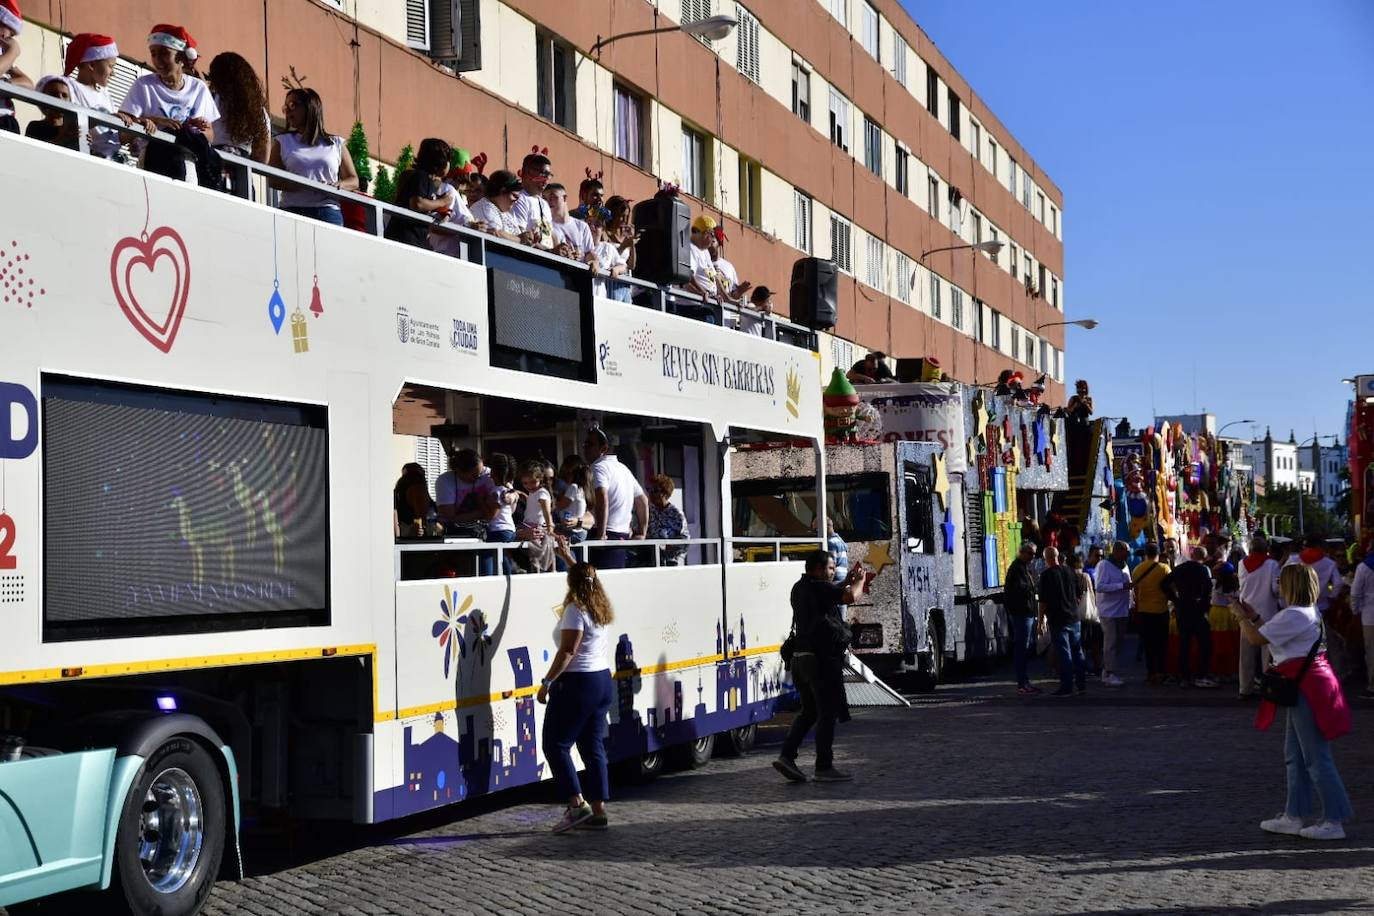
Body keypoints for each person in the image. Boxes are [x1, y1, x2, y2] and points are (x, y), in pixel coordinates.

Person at [1234, 564, 1353, 841]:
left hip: (1305, 687)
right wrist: (1254, 616)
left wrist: (1241, 617)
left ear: (1291, 585)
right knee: (1297, 756)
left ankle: (1333, 819)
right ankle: (1295, 814)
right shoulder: (1308, 612)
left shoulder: (1294, 614)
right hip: (1308, 684)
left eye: (1281, 581)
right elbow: (1270, 632)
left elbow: (1256, 638)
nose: (1278, 585)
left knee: (1314, 757)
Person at [537, 550, 615, 833]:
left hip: (578, 683)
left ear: (571, 582)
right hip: (602, 680)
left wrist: (547, 682)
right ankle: (598, 810)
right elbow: (587, 577)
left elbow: (568, 650)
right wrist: (569, 557)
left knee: (556, 745)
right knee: (592, 747)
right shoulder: (599, 606)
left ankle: (576, 805)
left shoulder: (575, 610)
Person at [774, 550, 865, 783]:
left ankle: (787, 756)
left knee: (810, 711)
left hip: (800, 659)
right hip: (820, 660)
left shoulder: (799, 587)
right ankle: (824, 767)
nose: (833, 572)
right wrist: (860, 582)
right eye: (830, 568)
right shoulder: (819, 587)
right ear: (817, 569)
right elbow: (850, 597)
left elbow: (831, 593)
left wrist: (844, 582)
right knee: (827, 712)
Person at [117, 25, 221, 181]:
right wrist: (154, 121)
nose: (158, 60)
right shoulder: (143, 85)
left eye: (164, 53)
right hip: (152, 160)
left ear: (181, 58)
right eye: (153, 54)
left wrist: (195, 129)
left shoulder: (198, 88)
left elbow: (210, 137)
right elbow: (123, 135)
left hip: (188, 163)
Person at [268, 87, 359, 225]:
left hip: (327, 211)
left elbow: (353, 180)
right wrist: (303, 184)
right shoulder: (282, 141)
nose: (288, 112)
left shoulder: (336, 143)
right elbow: (273, 180)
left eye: (292, 105)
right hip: (292, 209)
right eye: (285, 108)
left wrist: (339, 185)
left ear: (310, 107)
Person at [581, 427, 647, 570]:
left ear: (603, 448)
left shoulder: (598, 467)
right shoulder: (623, 468)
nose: (585, 448)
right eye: (584, 444)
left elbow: (602, 497)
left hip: (606, 536)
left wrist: (601, 534)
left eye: (589, 444)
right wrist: (642, 532)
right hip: (622, 536)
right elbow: (642, 500)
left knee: (598, 581)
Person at [59, 33, 121, 159]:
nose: (113, 73)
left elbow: (113, 135)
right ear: (92, 65)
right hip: (87, 158)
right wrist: (105, 118)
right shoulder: (71, 88)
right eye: (110, 66)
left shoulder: (105, 94)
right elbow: (71, 125)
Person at [385, 137, 455, 248]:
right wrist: (442, 201)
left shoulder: (427, 180)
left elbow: (425, 204)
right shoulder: (421, 176)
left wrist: (441, 209)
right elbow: (418, 203)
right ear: (440, 162)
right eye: (448, 161)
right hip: (405, 238)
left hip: (416, 239)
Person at [1163, 546, 1217, 688]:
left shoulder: (1180, 568)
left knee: (1184, 644)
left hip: (1182, 608)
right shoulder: (1203, 570)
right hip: (1197, 609)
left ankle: (1185, 676)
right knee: (1205, 644)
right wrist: (1204, 605)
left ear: (1192, 555)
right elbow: (1208, 588)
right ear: (1204, 558)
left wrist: (1175, 599)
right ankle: (1200, 675)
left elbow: (1163, 583)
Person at [1238, 533, 1282, 698]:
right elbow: (1276, 590)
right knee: (1267, 656)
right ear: (1266, 550)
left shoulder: (1241, 563)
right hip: (1267, 615)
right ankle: (1268, 688)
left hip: (1246, 613)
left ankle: (1245, 688)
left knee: (1246, 655)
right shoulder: (1272, 565)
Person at [1038, 546, 1086, 697]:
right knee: (1077, 651)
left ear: (1046, 559)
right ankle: (1081, 684)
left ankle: (1067, 686)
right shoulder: (1070, 571)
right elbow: (1079, 593)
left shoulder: (1046, 576)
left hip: (1057, 619)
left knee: (1064, 654)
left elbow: (1043, 601)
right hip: (1073, 617)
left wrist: (1040, 621)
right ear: (1057, 556)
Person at [205, 51, 269, 162]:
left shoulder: (210, 98)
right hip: (242, 167)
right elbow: (263, 156)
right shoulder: (258, 110)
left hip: (213, 161)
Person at [1132, 542, 1172, 684]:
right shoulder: (1164, 568)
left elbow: (1135, 590)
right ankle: (1161, 672)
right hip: (1161, 610)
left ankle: (1151, 673)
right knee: (1161, 644)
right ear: (1158, 553)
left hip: (1144, 611)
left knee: (1148, 644)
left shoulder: (1137, 569)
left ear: (1146, 554)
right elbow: (1170, 587)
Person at [1093, 541, 1132, 687]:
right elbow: (1099, 586)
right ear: (1117, 551)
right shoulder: (1104, 565)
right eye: (1126, 551)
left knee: (1118, 643)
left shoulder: (1125, 565)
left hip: (1122, 610)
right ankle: (1110, 673)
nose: (1128, 554)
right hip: (1108, 611)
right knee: (1110, 643)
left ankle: (1106, 670)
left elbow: (1128, 584)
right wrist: (1121, 586)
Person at [1004, 542, 1041, 695]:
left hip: (1025, 612)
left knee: (1024, 648)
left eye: (1034, 554)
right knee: (1022, 648)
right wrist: (1033, 587)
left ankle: (1025, 682)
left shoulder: (1023, 567)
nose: (1033, 557)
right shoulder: (1017, 568)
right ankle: (1022, 683)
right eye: (1030, 554)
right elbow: (1020, 589)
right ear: (1022, 552)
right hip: (1021, 613)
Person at [1287, 535, 1346, 616]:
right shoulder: (1329, 563)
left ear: (1305, 546)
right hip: (1321, 605)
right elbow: (1338, 583)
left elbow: (1283, 580)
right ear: (1319, 546)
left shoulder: (1293, 560)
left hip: (1297, 605)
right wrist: (1331, 596)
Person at [0, 0, 34, 134]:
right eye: (11, 33)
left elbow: (29, 84)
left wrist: (6, 84)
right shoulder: (9, 53)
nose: (10, 39)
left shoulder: (4, 55)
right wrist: (13, 52)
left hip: (6, 121)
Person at [484, 453, 521, 574]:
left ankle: (488, 578)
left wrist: (480, 502)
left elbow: (492, 515)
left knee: (487, 554)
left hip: (497, 530)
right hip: (510, 530)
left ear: (494, 473)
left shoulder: (496, 492)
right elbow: (512, 510)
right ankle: (508, 575)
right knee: (503, 555)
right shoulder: (510, 491)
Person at [585, 206, 631, 301]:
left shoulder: (607, 247)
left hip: (599, 296)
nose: (592, 227)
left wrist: (616, 269)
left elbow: (623, 266)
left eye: (597, 225)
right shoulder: (578, 243)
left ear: (603, 230)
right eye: (589, 223)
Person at [511, 149, 554, 249]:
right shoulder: (519, 199)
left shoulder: (544, 204)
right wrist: (550, 252)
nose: (546, 179)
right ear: (528, 172)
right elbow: (523, 237)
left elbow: (550, 236)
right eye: (543, 173)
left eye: (548, 175)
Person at [469, 169, 526, 241]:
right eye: (514, 196)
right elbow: (496, 234)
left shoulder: (506, 213)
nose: (516, 201)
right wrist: (520, 240)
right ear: (502, 190)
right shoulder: (486, 208)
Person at [645, 474, 689, 567]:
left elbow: (684, 540)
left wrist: (670, 549)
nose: (650, 493)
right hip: (649, 559)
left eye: (655, 490)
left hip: (669, 562)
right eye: (649, 489)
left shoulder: (676, 514)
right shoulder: (647, 511)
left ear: (665, 493)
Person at [546, 183, 593, 261]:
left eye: (553, 197)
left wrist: (594, 261)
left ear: (564, 198)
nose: (549, 201)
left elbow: (589, 253)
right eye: (545, 198)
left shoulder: (582, 226)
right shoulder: (547, 225)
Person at [1351, 545, 1374, 700]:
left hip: (1370, 615)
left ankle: (1372, 687)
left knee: (1372, 652)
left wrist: (1355, 610)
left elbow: (1355, 593)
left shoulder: (1363, 567)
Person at [710, 227, 751, 309]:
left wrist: (740, 291)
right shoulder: (704, 263)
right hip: (710, 308)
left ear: (719, 243)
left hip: (726, 312)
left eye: (713, 242)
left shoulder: (729, 267)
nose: (709, 244)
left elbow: (733, 295)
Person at [554, 456, 590, 544]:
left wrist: (552, 503)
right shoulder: (581, 489)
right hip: (577, 530)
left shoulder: (573, 487)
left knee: (549, 532)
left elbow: (563, 504)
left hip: (572, 531)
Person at [23, 76, 69, 144]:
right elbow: (32, 149)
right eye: (54, 94)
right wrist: (62, 138)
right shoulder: (35, 127)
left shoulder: (73, 129)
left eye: (64, 95)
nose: (60, 98)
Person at [686, 215, 720, 301]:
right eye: (713, 235)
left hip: (707, 301)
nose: (713, 239)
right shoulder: (690, 248)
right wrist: (703, 292)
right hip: (693, 304)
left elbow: (714, 277)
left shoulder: (705, 251)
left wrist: (728, 299)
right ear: (706, 234)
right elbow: (689, 275)